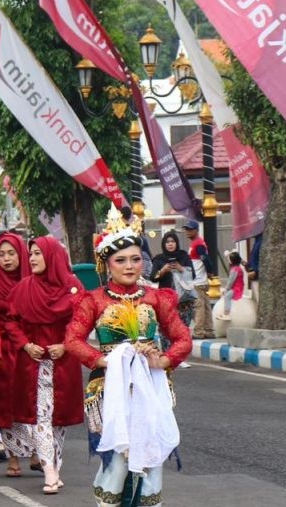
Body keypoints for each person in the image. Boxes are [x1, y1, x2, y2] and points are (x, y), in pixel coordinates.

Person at [65, 209, 192, 507]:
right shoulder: (93, 300)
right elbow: (72, 340)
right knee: (117, 463)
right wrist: (105, 360)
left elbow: (182, 338)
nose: (129, 265)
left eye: (136, 259)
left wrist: (163, 360)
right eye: (121, 260)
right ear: (107, 264)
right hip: (109, 388)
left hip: (150, 386)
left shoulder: (156, 298)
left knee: (151, 458)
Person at [6, 237, 84, 495]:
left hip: (63, 364)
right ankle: (49, 470)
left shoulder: (73, 287)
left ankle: (55, 467)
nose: (33, 259)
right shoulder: (23, 288)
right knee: (40, 417)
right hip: (34, 365)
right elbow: (11, 322)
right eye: (31, 254)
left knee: (57, 420)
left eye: (38, 254)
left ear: (52, 256)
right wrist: (26, 345)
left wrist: (65, 344)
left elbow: (82, 322)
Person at [0, 232, 34, 478]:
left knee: (32, 403)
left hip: (27, 348)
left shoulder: (32, 281)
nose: (6, 259)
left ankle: (36, 454)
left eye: (11, 253)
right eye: (1, 254)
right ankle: (13, 458)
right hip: (0, 348)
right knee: (5, 406)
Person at [150, 231, 196, 342]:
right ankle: (168, 355)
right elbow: (153, 277)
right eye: (167, 242)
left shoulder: (184, 256)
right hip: (166, 301)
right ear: (164, 244)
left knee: (182, 329)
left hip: (183, 301)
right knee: (166, 329)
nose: (170, 244)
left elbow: (193, 275)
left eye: (173, 241)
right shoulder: (159, 259)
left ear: (177, 243)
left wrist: (181, 268)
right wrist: (163, 271)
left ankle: (179, 353)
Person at [182, 219, 214, 338]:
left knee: (198, 306)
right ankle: (209, 330)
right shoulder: (196, 243)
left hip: (198, 280)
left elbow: (205, 259)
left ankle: (199, 331)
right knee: (205, 306)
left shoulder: (198, 244)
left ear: (196, 230)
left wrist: (210, 271)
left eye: (190, 229)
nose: (187, 232)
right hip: (200, 279)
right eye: (186, 229)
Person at [222, 251, 247, 319]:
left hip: (236, 289)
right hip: (238, 288)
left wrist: (226, 289)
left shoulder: (234, 270)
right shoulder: (238, 268)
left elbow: (230, 281)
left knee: (227, 296)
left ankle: (226, 313)